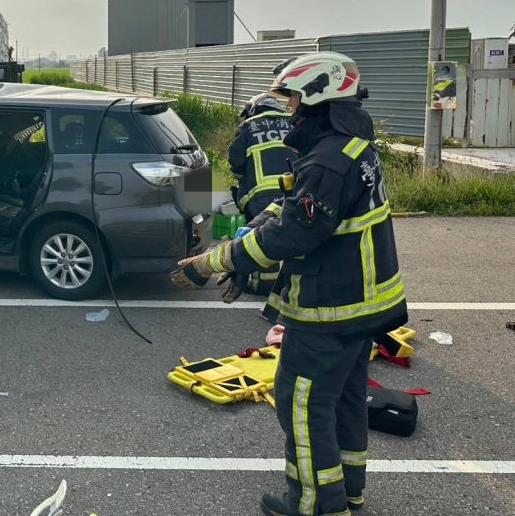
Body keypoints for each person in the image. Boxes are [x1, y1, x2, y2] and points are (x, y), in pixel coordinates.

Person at [171, 51, 408, 516]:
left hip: (331, 309)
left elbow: (297, 231)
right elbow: (290, 206)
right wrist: (241, 256)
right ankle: (348, 492)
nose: (292, 108)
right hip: (364, 305)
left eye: (296, 97)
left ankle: (316, 503)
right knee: (342, 401)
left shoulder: (327, 160)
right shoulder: (350, 145)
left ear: (319, 96)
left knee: (300, 404)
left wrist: (212, 262)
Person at [227, 92, 297, 296]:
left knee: (262, 238)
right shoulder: (294, 122)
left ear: (253, 109)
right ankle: (292, 284)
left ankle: (263, 284)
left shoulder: (249, 126)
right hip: (293, 190)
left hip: (259, 195)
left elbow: (236, 160)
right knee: (292, 234)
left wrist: (243, 177)